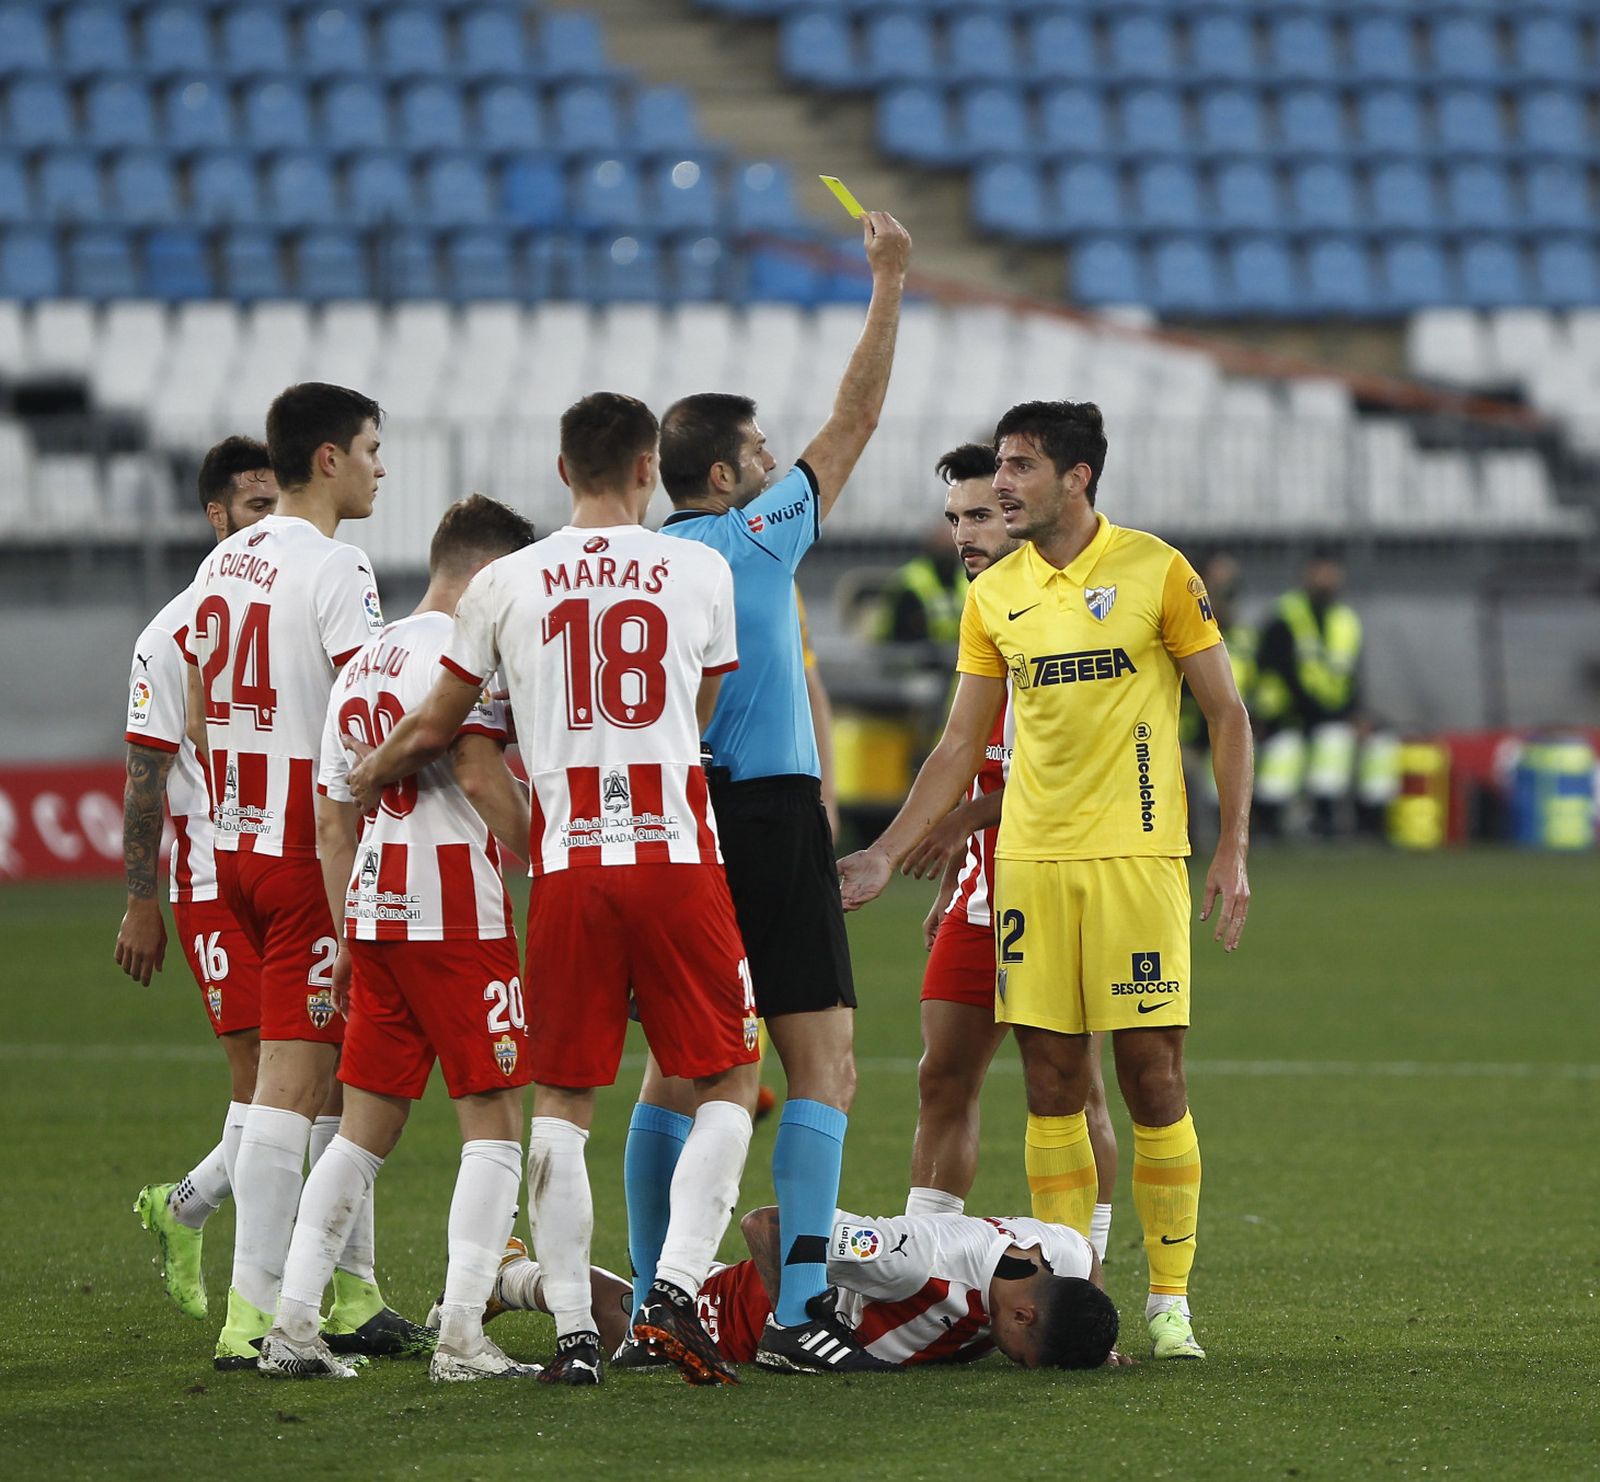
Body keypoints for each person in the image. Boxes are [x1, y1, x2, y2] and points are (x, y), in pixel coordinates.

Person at [346, 393, 760, 1388]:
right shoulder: (700, 567)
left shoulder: (503, 583)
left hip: (571, 867)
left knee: (563, 1098)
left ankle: (576, 1331)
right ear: (648, 469)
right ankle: (674, 1291)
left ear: (563, 468)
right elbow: (696, 707)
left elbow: (439, 724)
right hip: (673, 855)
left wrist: (364, 776)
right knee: (732, 1077)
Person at [839, 400, 1254, 1363]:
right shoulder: (995, 598)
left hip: (1140, 863)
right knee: (1053, 1086)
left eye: (1020, 466)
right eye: (1001, 465)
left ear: (1078, 477)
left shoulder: (1158, 569)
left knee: (1153, 1078)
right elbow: (957, 743)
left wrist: (1230, 847)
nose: (1005, 483)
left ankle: (1171, 1303)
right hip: (1030, 869)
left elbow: (1225, 714)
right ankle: (1078, 1295)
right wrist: (888, 850)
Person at [620, 209, 913, 1376]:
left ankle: (654, 1298)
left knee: (678, 1067)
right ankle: (798, 1315)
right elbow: (856, 419)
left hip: (667, 818)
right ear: (731, 473)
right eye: (760, 449)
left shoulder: (631, 563)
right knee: (821, 1061)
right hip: (767, 814)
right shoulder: (754, 537)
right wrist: (886, 282)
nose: (776, 457)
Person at [257, 495, 539, 1383]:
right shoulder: (460, 653)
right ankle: (460, 1335)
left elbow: (331, 823)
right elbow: (475, 767)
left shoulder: (362, 662)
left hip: (375, 914)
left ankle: (293, 1325)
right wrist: (551, 857)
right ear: (490, 575)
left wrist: (345, 936)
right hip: (456, 916)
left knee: (363, 1130)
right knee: (494, 1122)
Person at [184, 382, 422, 1369]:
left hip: (232, 837)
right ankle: (254, 1319)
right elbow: (367, 703)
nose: (380, 465)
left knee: (323, 1083)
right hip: (298, 843)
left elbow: (196, 697)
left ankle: (336, 1295)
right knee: (297, 1084)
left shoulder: (222, 560)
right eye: (370, 447)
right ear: (327, 459)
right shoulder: (337, 566)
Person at [894, 445, 1117, 1254]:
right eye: (954, 518)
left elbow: (1081, 777)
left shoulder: (1072, 626)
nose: (964, 534)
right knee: (940, 1079)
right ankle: (922, 1266)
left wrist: (970, 819)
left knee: (1071, 1090)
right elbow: (976, 762)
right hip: (979, 895)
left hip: (1064, 889)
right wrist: (951, 873)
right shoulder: (981, 628)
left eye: (982, 514)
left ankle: (1079, 1279)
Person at [119, 437, 277, 1319]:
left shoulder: (295, 601)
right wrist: (144, 899)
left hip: (292, 867)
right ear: (216, 518)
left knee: (315, 1082)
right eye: (256, 507)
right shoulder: (168, 637)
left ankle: (186, 1207)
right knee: (263, 1076)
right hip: (213, 879)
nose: (271, 522)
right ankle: (279, 1296)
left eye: (279, 505)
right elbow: (145, 776)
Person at [488, 1206, 1121, 1373]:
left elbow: (1088, 1262)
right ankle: (509, 1275)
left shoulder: (1058, 1255)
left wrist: (1094, 1338)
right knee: (638, 1323)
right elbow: (768, 1223)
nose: (1013, 1359)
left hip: (865, 1329)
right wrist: (793, 1321)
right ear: (1026, 1311)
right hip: (771, 1305)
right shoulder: (913, 1264)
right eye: (1022, 1353)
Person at [1253, 549, 1363, 838]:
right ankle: (1269, 824)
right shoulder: (1285, 617)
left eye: (1332, 573)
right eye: (1321, 573)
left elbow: (1353, 674)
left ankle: (1326, 822)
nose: (1327, 580)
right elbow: (1278, 672)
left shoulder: (1346, 621)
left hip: (1329, 715)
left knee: (1336, 741)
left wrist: (1353, 713)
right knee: (1286, 752)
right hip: (1285, 715)